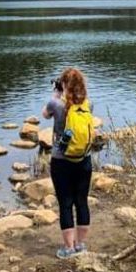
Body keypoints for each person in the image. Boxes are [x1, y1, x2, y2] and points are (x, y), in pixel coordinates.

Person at [42, 67, 95, 259]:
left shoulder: (55, 104)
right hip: (84, 159)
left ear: (63, 84)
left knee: (65, 203)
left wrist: (56, 93)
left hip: (61, 160)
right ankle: (81, 245)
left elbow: (45, 115)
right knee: (81, 201)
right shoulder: (88, 104)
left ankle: (68, 248)